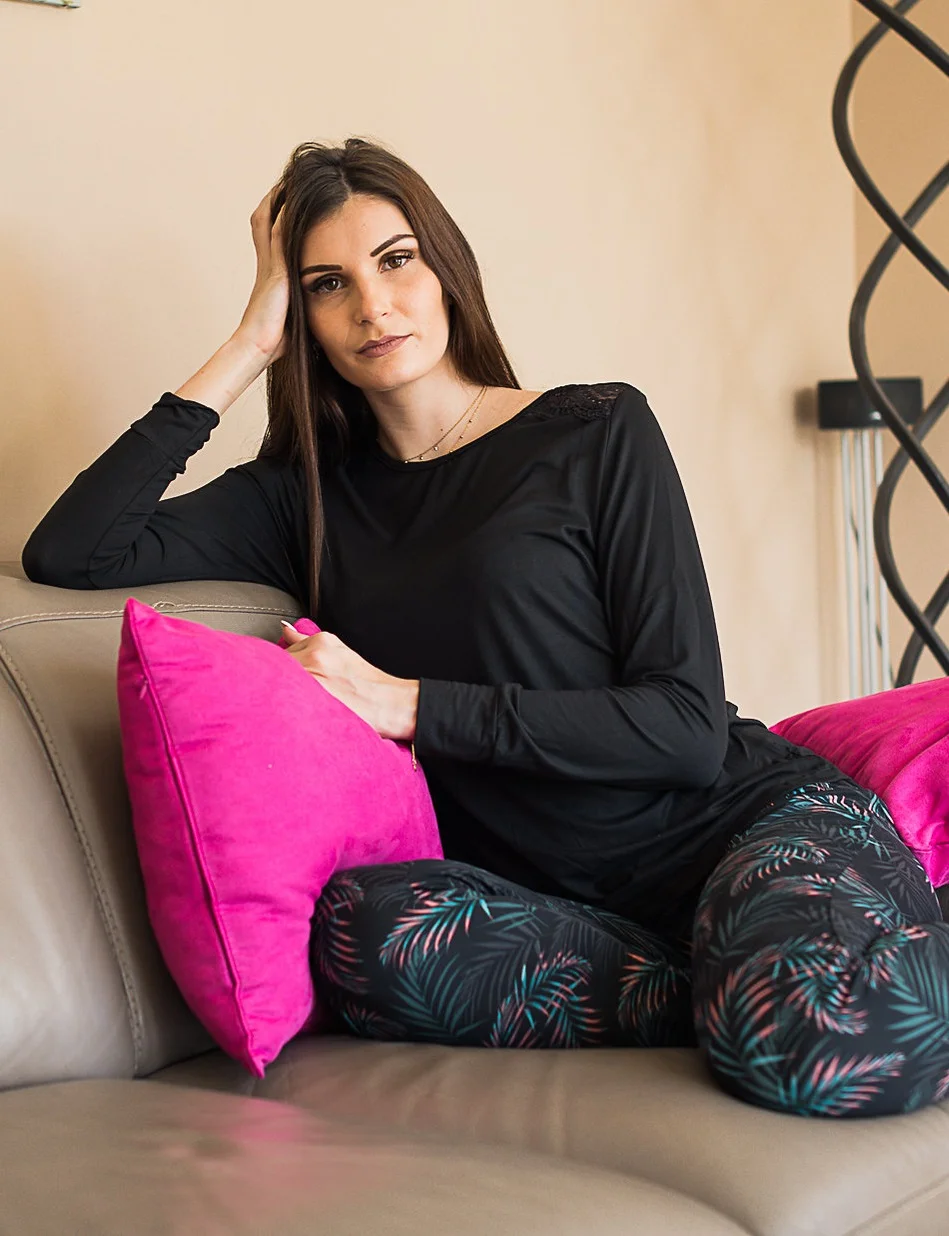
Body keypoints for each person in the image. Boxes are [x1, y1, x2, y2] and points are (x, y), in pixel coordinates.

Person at [22, 137, 949, 1119]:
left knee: (808, 1041)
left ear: (445, 268)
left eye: (395, 260)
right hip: (575, 916)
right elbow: (73, 551)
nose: (372, 306)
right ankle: (722, 983)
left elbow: (682, 729)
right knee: (363, 936)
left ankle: (777, 976)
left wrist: (410, 706)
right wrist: (251, 340)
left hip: (743, 830)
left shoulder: (594, 432)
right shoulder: (302, 501)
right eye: (327, 285)